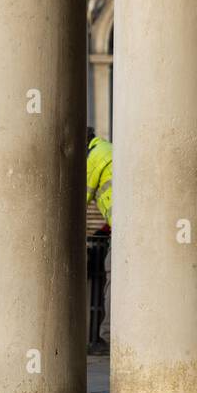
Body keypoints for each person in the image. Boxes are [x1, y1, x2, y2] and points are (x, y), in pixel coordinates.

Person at [85, 127, 113, 349]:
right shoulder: (107, 149)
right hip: (126, 225)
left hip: (129, 230)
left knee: (114, 276)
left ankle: (110, 335)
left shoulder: (93, 157)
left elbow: (75, 200)